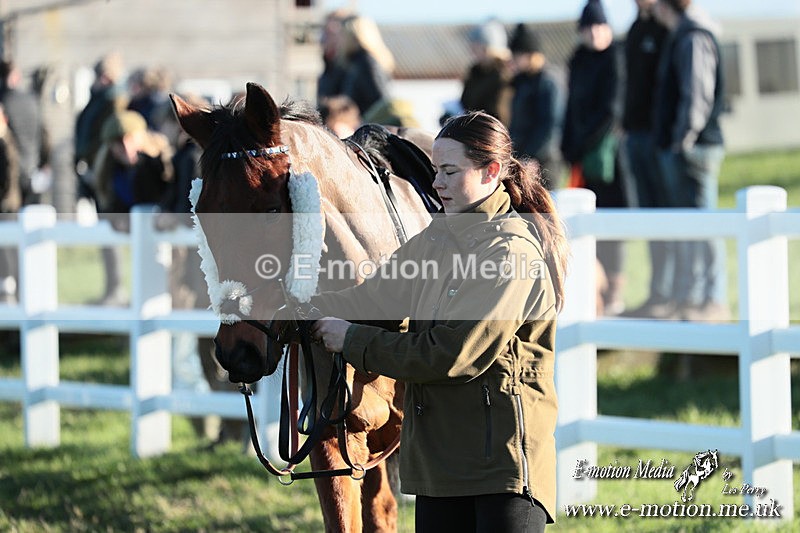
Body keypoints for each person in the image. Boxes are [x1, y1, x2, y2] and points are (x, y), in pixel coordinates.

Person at [308, 111, 568, 531]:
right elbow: (374, 296)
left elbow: (451, 355)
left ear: (492, 172)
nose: (436, 183)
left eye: (449, 170)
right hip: (439, 471)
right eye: (434, 170)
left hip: (500, 470)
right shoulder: (436, 238)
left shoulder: (510, 254)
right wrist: (296, 309)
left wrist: (350, 339)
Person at [651, 0, 727, 321]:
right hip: (689, 145)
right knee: (691, 223)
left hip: (695, 147)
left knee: (705, 222)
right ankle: (695, 298)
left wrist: (683, 139)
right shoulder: (685, 33)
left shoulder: (693, 36)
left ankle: (713, 299)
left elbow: (697, 94)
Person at [560, 0, 629, 316]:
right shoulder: (577, 61)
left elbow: (611, 109)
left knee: (613, 222)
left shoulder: (616, 56)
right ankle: (593, 292)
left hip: (609, 158)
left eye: (599, 26)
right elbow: (572, 107)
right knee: (582, 222)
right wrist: (568, 144)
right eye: (588, 27)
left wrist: (583, 143)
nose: (594, 33)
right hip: (581, 157)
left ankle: (615, 290)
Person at [620, 0, 671, 318]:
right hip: (635, 136)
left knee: (670, 217)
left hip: (658, 137)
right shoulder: (636, 29)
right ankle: (658, 292)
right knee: (651, 218)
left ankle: (672, 292)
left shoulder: (665, 29)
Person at [92, 110, 173, 305]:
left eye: (130, 139)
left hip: (167, 236)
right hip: (138, 235)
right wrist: (119, 221)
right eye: (118, 143)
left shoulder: (161, 162)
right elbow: (110, 206)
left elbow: (171, 195)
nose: (126, 148)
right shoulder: (111, 172)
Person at [508, 23, 565, 190]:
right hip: (522, 158)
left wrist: (532, 157)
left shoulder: (548, 83)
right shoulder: (521, 82)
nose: (514, 60)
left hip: (545, 162)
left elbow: (551, 125)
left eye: (517, 55)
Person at [0, 60, 50, 206]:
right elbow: (45, 135)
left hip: (9, 173)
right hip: (32, 169)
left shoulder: (4, 101)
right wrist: (44, 162)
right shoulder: (31, 100)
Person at [337, 15, 395, 117]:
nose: (340, 40)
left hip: (368, 126)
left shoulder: (366, 63)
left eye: (343, 35)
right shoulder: (357, 62)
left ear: (354, 36)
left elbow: (382, 101)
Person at [459, 19, 513, 127]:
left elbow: (501, 115)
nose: (472, 51)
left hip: (493, 136)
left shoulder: (504, 76)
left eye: (475, 46)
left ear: (488, 48)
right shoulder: (474, 73)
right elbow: (465, 105)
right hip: (473, 134)